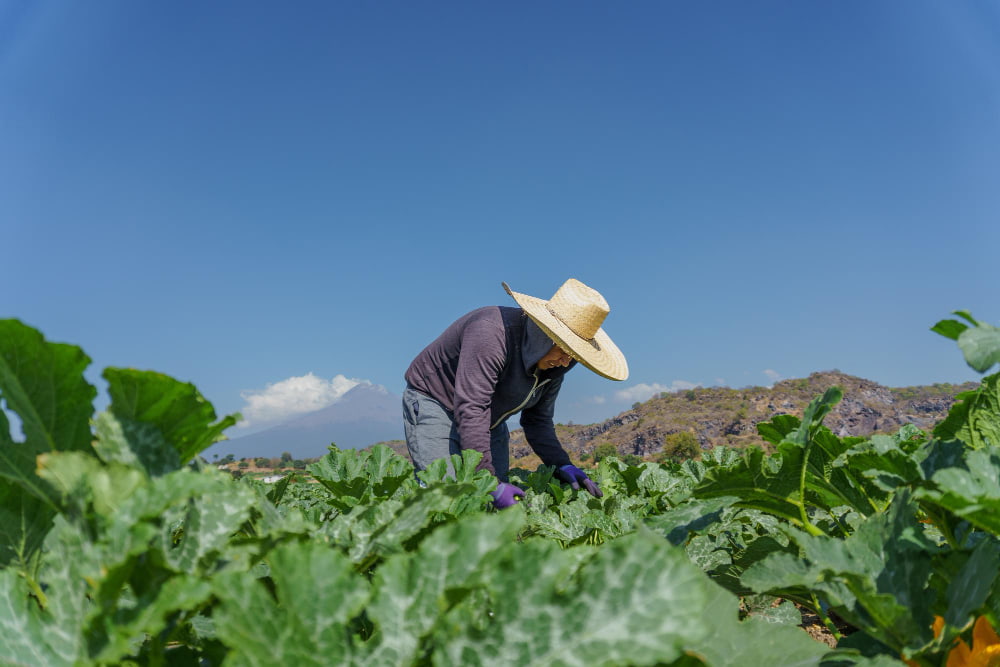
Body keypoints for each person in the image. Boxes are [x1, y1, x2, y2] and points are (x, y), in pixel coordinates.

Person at [402, 278, 628, 508]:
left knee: (493, 503)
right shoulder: (490, 333)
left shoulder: (556, 364)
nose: (566, 360)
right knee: (446, 497)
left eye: (575, 354)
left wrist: (562, 464)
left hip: (487, 418)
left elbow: (537, 421)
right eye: (564, 348)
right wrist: (488, 482)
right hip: (437, 402)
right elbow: (472, 407)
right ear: (544, 335)